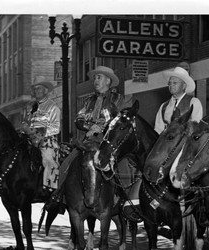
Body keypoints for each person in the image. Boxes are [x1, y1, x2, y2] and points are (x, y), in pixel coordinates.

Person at [51, 65, 132, 208]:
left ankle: (126, 201)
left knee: (124, 167)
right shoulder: (89, 100)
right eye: (94, 78)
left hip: (109, 142)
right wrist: (89, 127)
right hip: (87, 142)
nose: (95, 80)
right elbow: (79, 119)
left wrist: (100, 127)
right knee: (66, 163)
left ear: (108, 81)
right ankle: (60, 198)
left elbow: (122, 122)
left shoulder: (119, 99)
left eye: (99, 77)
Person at [21, 76, 61, 192]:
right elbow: (24, 122)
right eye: (35, 89)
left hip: (46, 140)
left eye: (39, 88)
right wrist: (25, 129)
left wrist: (38, 133)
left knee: (48, 159)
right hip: (28, 139)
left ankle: (51, 189)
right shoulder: (29, 106)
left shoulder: (52, 107)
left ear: (45, 91)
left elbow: (55, 127)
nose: (36, 91)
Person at [154, 66, 203, 134]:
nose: (171, 85)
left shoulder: (193, 102)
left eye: (175, 83)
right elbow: (158, 130)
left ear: (184, 86)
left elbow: (196, 128)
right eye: (170, 83)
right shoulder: (164, 106)